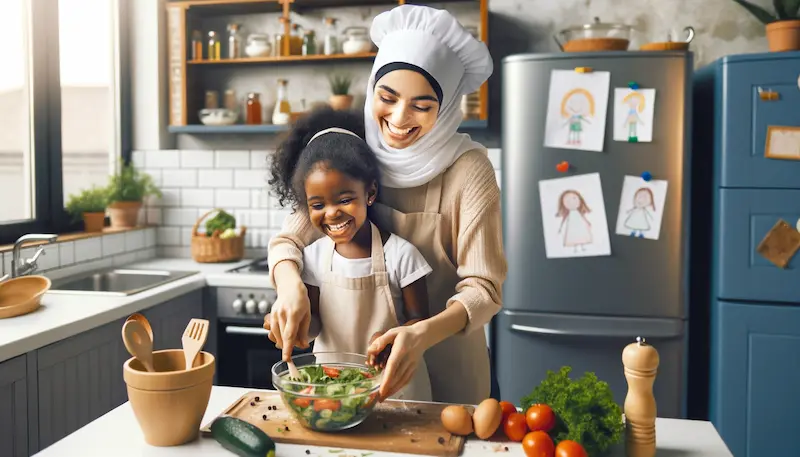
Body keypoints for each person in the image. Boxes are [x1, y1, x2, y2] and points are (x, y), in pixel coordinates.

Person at [266, 4, 506, 405]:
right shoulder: (356, 155)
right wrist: (290, 287)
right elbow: (289, 239)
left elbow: (485, 289)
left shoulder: (469, 170)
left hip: (449, 374)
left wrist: (421, 332)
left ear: (444, 110)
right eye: (387, 97)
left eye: (422, 106)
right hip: (357, 379)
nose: (398, 118)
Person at [265, 107, 434, 401]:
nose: (332, 213)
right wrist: (296, 327)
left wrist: (396, 341)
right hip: (335, 393)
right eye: (318, 205)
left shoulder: (401, 255)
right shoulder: (314, 258)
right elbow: (316, 324)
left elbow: (420, 321)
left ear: (370, 193)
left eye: (344, 199)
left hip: (397, 391)